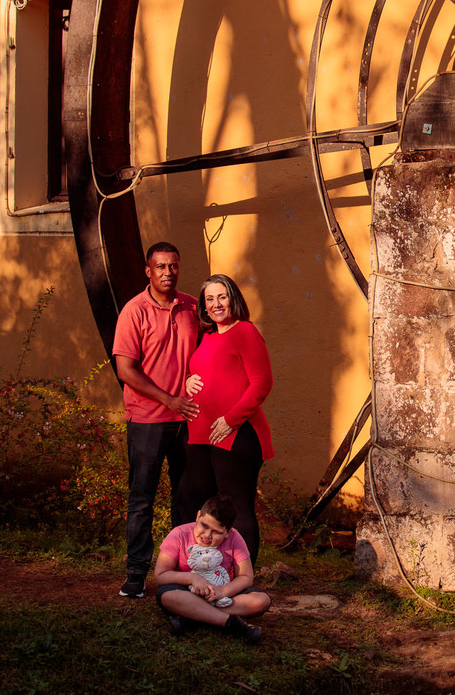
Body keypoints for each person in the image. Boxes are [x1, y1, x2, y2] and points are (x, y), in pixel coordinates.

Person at [112, 241, 201, 598]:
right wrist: (169, 400)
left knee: (186, 497)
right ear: (148, 271)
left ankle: (185, 570)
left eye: (173, 266)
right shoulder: (134, 311)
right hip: (148, 420)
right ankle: (136, 574)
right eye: (161, 267)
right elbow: (125, 370)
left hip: (188, 419)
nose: (168, 272)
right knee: (142, 499)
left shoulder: (193, 306)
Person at [177, 273, 274, 565]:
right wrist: (187, 381)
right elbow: (205, 372)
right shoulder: (206, 336)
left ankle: (243, 577)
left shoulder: (245, 331)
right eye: (209, 299)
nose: (216, 304)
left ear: (233, 299)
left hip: (236, 434)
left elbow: (262, 383)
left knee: (236, 506)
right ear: (203, 307)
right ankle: (198, 566)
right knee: (190, 501)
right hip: (201, 436)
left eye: (222, 297)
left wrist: (231, 420)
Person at [155, 494, 271, 640]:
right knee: (167, 596)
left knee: (261, 600)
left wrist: (222, 592)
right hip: (187, 592)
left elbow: (246, 577)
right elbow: (160, 575)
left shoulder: (235, 538)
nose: (207, 535)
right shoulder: (179, 534)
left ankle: (192, 617)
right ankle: (232, 623)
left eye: (216, 532)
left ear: (228, 532)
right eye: (204, 525)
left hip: (221, 593)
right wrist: (191, 578)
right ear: (198, 516)